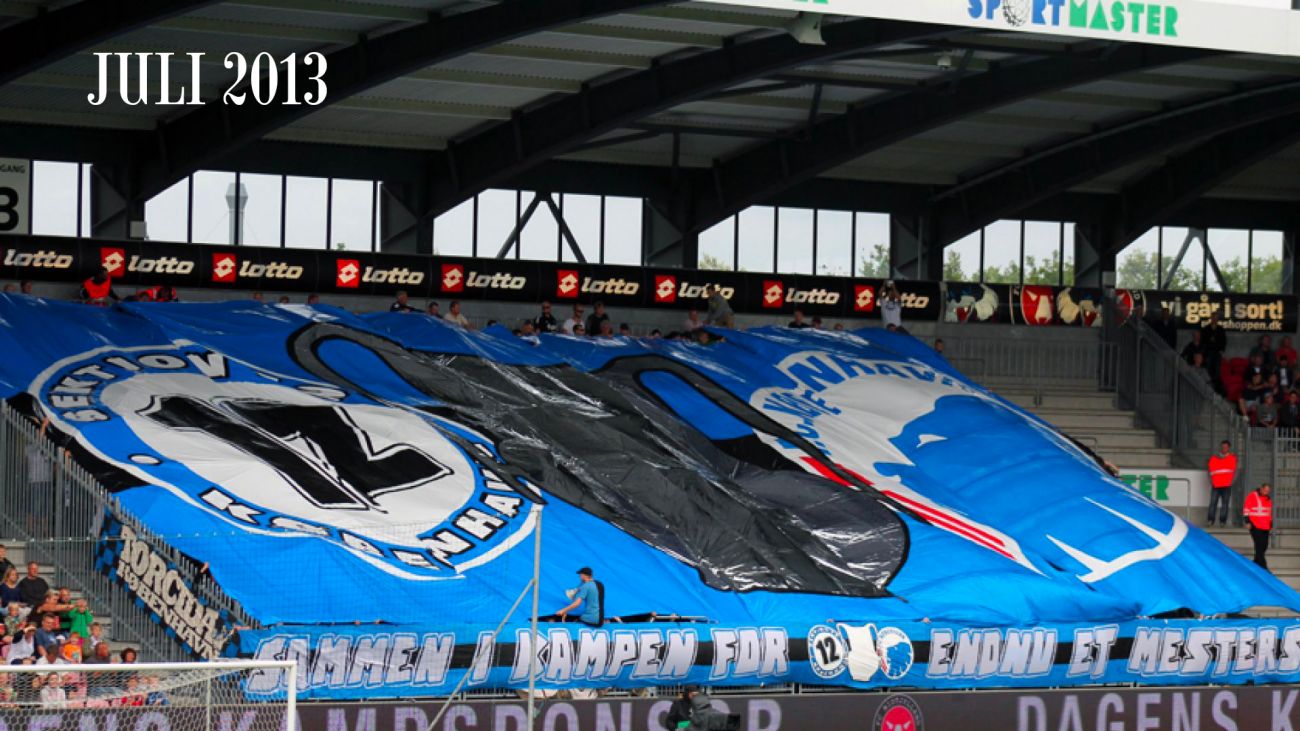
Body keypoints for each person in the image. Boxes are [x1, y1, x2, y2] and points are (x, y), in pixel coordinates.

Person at [1207, 440, 1237, 527]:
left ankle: (1222, 521)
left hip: (1226, 485)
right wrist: (1211, 481)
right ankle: (1210, 520)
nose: (1224, 448)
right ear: (1220, 447)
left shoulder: (1233, 458)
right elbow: (1209, 471)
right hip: (1216, 485)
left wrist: (1231, 482)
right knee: (1213, 503)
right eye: (1223, 446)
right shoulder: (1213, 458)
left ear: (1229, 448)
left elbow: (1236, 471)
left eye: (1226, 447)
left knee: (1225, 504)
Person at [1244, 483, 1273, 569]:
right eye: (1265, 490)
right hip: (1255, 524)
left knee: (1264, 546)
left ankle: (1256, 562)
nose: (1266, 492)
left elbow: (1268, 512)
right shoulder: (1252, 496)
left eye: (1268, 491)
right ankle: (1264, 567)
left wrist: (1270, 522)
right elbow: (1246, 508)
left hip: (1265, 525)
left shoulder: (1268, 499)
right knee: (1259, 546)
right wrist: (1247, 521)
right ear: (1261, 489)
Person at [1200, 312, 1227, 385]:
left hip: (1217, 352)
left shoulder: (1220, 329)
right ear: (1211, 318)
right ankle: (1208, 384)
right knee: (1208, 368)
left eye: (1216, 318)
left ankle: (1216, 385)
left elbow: (1224, 341)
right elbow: (1202, 341)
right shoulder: (1206, 329)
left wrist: (1222, 350)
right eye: (1213, 317)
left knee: (1217, 370)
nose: (1215, 319)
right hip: (1208, 352)